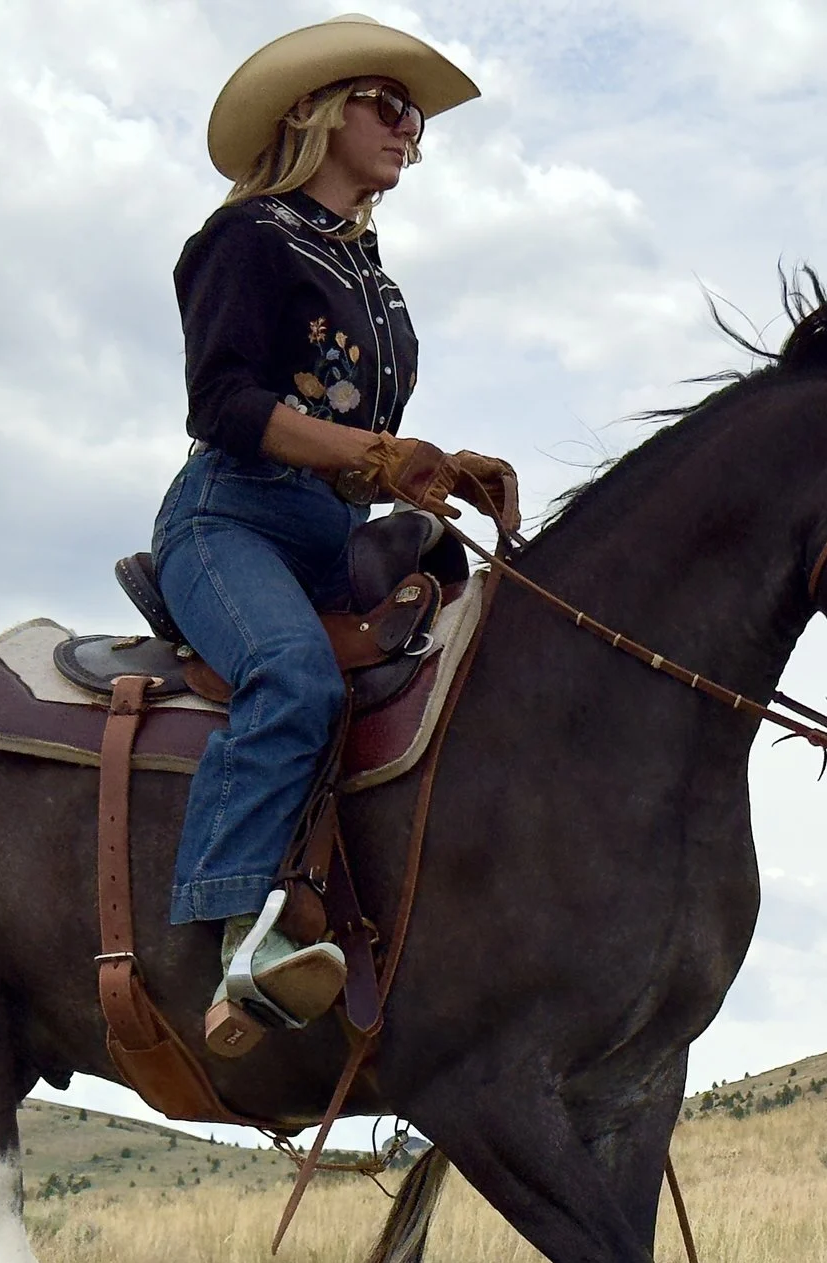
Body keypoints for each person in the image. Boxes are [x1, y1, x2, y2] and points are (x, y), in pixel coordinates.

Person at [156, 15, 506, 1025]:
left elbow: (358, 435)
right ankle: (241, 939)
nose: (409, 131)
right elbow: (221, 404)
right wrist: (375, 456)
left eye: (417, 120)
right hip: (233, 520)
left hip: (327, 528)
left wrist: (430, 470)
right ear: (316, 112)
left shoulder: (372, 276)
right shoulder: (246, 238)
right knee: (293, 675)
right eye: (389, 106)